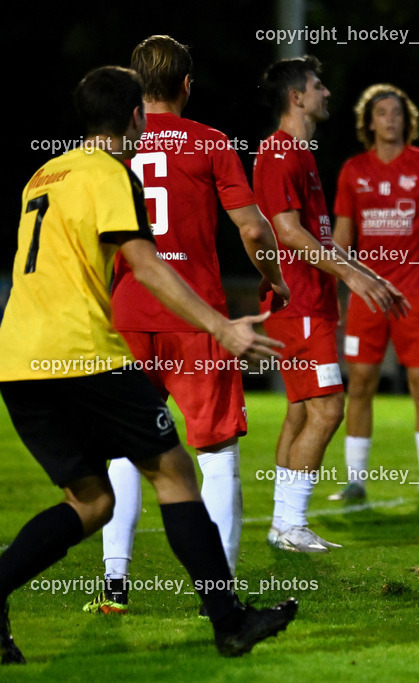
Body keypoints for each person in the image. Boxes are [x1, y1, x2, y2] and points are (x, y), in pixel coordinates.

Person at [0, 66, 296, 664]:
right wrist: (220, 325)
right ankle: (230, 620)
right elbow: (147, 263)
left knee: (91, 500)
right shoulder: (112, 173)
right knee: (174, 473)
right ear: (135, 114)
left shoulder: (43, 173)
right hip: (81, 353)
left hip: (17, 357)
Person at [83, 35, 291, 616]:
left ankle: (115, 585)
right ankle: (218, 596)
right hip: (197, 317)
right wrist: (273, 275)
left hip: (126, 311)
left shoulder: (110, 147)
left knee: (127, 451)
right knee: (217, 454)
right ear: (186, 84)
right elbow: (251, 230)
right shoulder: (211, 142)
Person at [254, 57, 408, 553]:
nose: (326, 92)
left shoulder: (301, 155)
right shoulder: (280, 154)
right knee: (328, 409)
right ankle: (293, 523)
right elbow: (288, 232)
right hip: (299, 306)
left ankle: (282, 525)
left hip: (310, 304)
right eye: (318, 86)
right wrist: (349, 277)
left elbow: (320, 236)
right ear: (296, 97)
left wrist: (367, 276)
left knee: (301, 413)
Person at [329, 83, 419, 504]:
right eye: (381, 112)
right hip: (368, 295)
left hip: (417, 293)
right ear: (369, 121)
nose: (390, 119)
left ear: (407, 119)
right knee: (360, 382)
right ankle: (355, 481)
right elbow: (341, 240)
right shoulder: (353, 171)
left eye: (397, 112)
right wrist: (343, 288)